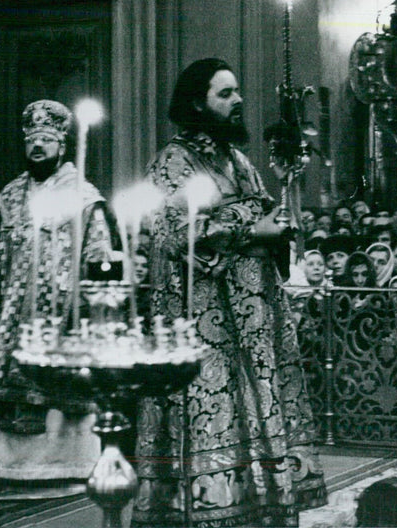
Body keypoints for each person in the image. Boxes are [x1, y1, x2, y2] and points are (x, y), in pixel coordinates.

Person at [134, 58, 326, 527]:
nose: (238, 101)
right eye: (225, 94)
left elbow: (262, 216)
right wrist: (252, 230)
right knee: (212, 414)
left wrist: (279, 229)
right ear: (198, 102)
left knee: (257, 407)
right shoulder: (172, 163)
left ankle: (261, 508)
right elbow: (176, 234)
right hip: (201, 320)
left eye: (237, 91)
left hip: (255, 319)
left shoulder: (238, 162)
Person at [0, 100, 113, 489]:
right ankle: (18, 468)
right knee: (18, 379)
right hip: (14, 315)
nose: (37, 147)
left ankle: (71, 465)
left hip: (65, 312)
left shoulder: (83, 196)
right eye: (32, 141)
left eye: (46, 140)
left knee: (63, 383)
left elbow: (100, 254)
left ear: (62, 145)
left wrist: (93, 299)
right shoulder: (9, 196)